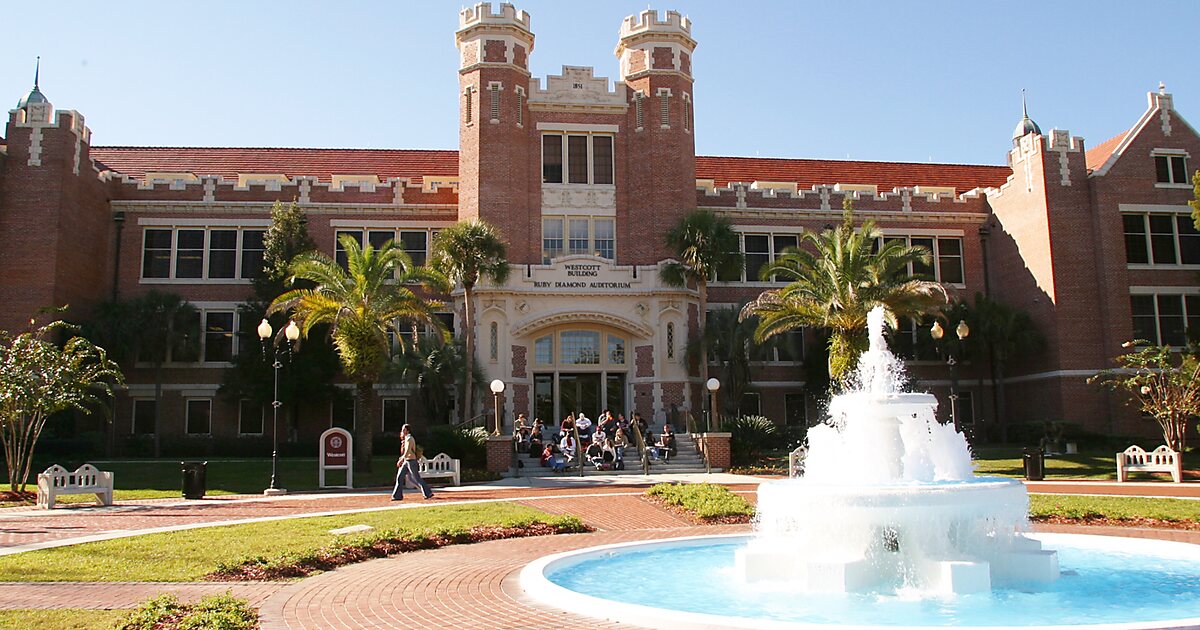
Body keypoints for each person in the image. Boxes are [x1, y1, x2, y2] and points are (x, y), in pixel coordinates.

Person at [392, 424, 434, 501]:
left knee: (416, 478)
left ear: (407, 430)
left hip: (411, 461)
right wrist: (402, 459)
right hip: (406, 461)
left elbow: (408, 451)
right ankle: (397, 496)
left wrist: (401, 459)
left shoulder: (409, 439)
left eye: (404, 430)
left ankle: (428, 493)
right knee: (400, 477)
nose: (402, 431)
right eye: (402, 430)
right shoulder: (406, 439)